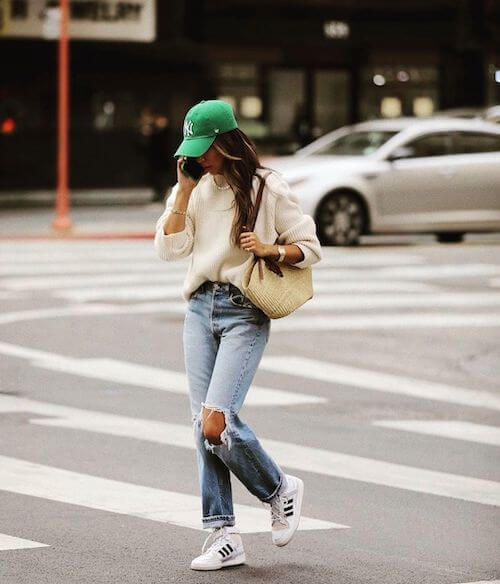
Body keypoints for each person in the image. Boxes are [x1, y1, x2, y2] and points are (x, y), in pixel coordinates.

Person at [154, 100, 322, 571]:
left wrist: (269, 248)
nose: (198, 158)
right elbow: (169, 248)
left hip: (244, 310)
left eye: (204, 149)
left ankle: (278, 489)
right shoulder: (194, 186)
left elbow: (309, 248)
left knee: (216, 422)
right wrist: (184, 192)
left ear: (226, 143)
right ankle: (223, 534)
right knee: (200, 427)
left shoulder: (267, 187)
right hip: (198, 310)